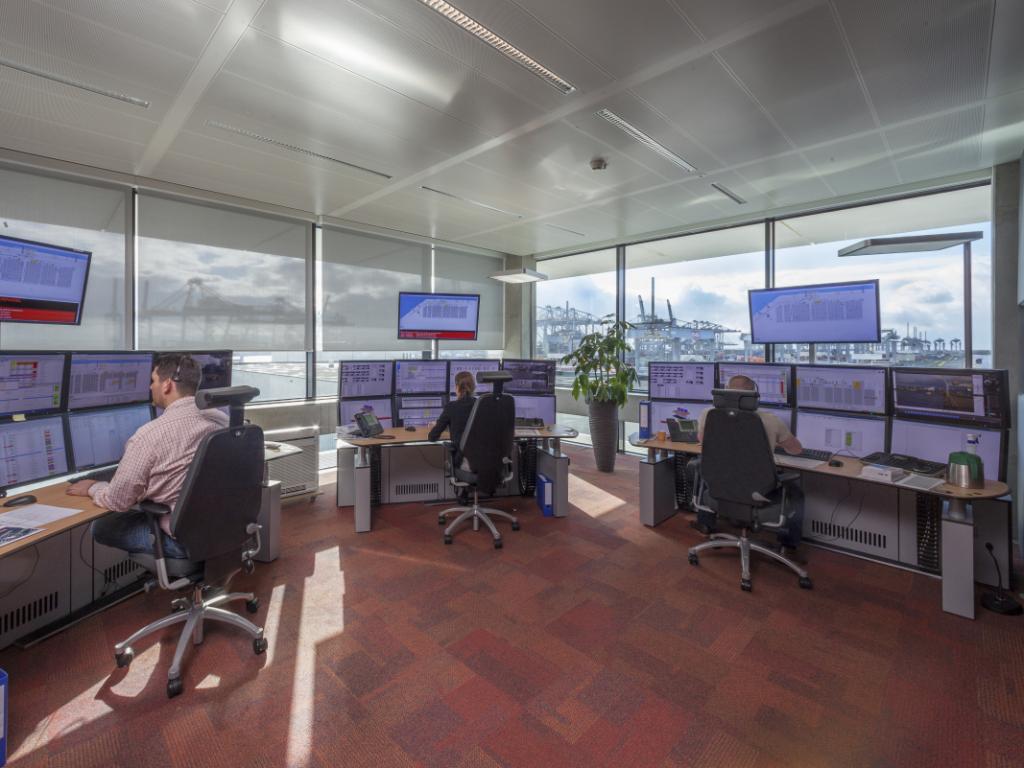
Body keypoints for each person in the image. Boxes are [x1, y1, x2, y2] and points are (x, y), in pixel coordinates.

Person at [66, 354, 229, 558]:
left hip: (185, 542)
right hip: (223, 529)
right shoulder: (222, 420)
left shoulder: (149, 435)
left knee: (102, 526)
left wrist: (92, 487)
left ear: (167, 385)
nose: (151, 387)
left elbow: (117, 501)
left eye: (153, 380)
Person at [688, 374, 805, 550]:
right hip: (757, 495)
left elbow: (703, 441)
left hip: (720, 493)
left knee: (704, 469)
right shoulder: (771, 420)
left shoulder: (708, 415)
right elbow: (796, 450)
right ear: (754, 396)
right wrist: (775, 441)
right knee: (796, 493)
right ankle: (788, 545)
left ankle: (706, 525)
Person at [429, 371, 477, 473]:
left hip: (466, 463)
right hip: (489, 461)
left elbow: (432, 437)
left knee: (448, 463)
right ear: (473, 387)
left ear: (457, 387)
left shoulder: (452, 407)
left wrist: (442, 425)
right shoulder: (483, 405)